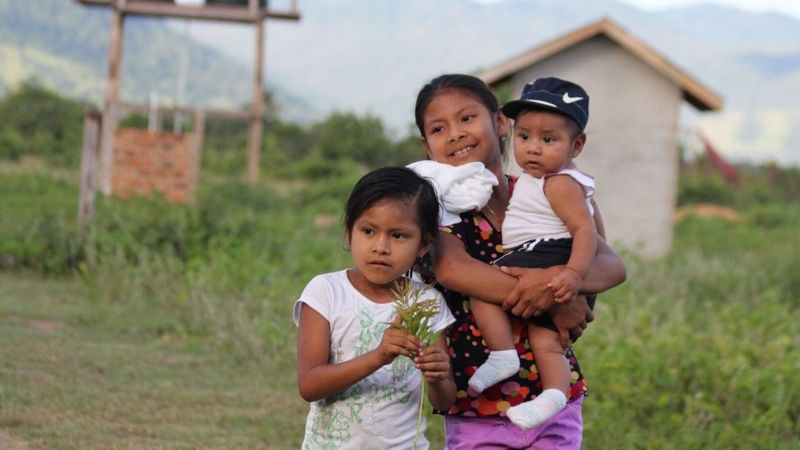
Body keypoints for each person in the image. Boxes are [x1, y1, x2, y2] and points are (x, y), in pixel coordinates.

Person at [414, 74, 626, 449]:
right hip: (477, 399)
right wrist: (549, 296)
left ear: (499, 123)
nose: (455, 134)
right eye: (438, 128)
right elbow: (453, 270)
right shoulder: (438, 208)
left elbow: (610, 263)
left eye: (467, 118)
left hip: (551, 390)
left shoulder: (547, 187)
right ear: (426, 146)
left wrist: (566, 282)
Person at [294, 166, 457, 450]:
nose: (380, 247)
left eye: (398, 236)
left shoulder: (427, 302)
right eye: (368, 231)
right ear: (349, 232)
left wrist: (440, 377)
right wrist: (379, 356)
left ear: (423, 245)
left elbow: (443, 401)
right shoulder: (326, 292)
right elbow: (309, 385)